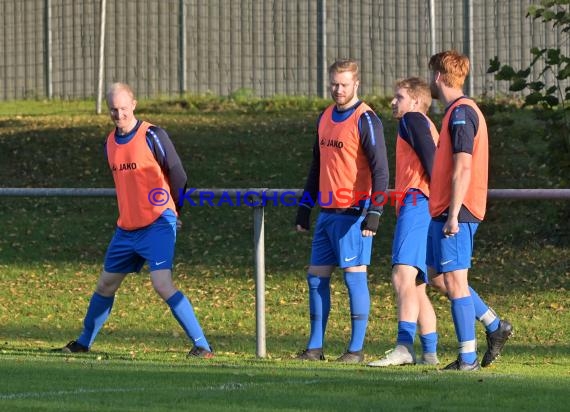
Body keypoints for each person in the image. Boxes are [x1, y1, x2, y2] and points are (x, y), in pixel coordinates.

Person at [56, 82, 213, 358]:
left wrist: (175, 210)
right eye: (113, 110)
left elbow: (178, 174)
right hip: (127, 229)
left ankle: (202, 346)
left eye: (124, 109)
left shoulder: (153, 135)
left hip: (157, 224)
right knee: (105, 284)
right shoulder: (109, 143)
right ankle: (83, 343)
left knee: (162, 284)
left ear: (134, 105)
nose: (119, 115)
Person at [294, 58, 389, 363]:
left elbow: (382, 171)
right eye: (334, 83)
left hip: (355, 214)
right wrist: (304, 209)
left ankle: (356, 350)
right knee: (316, 278)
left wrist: (375, 211)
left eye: (343, 84)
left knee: (354, 278)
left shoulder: (366, 119)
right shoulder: (324, 117)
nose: (337, 89)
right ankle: (315, 348)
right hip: (327, 214)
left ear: (356, 84)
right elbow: (316, 165)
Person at [427, 51, 512, 371]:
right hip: (443, 208)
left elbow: (463, 168)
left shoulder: (462, 113)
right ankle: (494, 325)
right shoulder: (454, 112)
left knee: (457, 282)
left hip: (457, 210)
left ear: (438, 76)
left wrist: (453, 214)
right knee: (436, 276)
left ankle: (467, 359)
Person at [367, 77, 440, 367]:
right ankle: (430, 354)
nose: (393, 102)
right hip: (424, 204)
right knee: (417, 284)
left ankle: (404, 346)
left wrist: (438, 199)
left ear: (415, 101)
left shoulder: (412, 119)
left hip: (418, 202)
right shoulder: (422, 123)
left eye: (398, 96)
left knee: (402, 277)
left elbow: (432, 161)